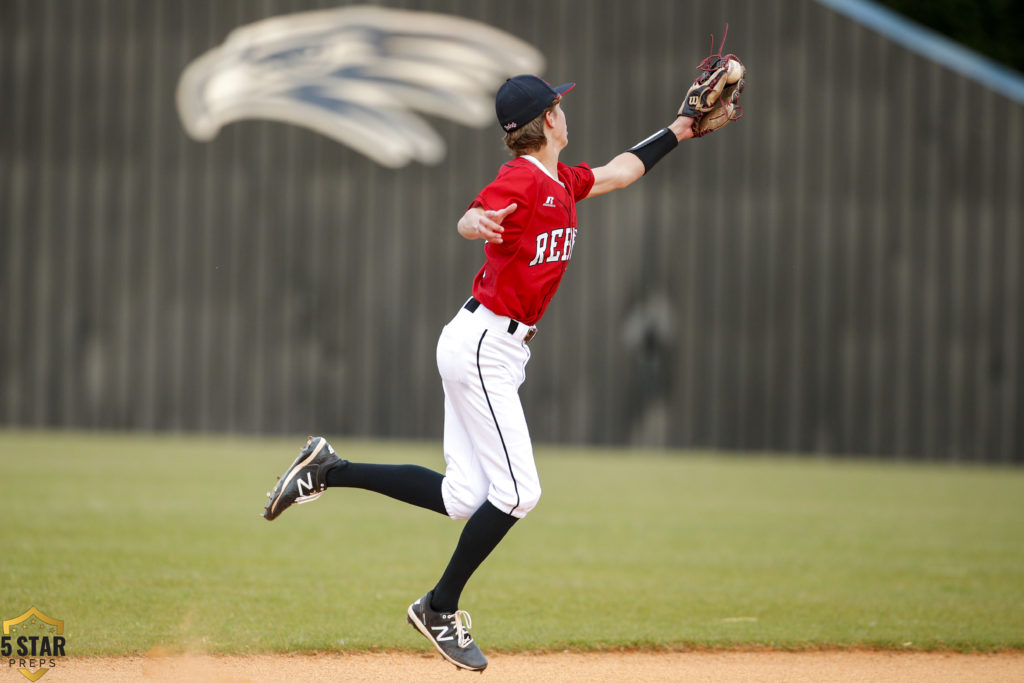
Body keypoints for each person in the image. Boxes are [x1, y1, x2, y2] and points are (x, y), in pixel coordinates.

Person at [263, 73, 706, 671]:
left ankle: (328, 470)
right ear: (548, 120)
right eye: (559, 106)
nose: (564, 113)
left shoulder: (561, 181)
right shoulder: (521, 178)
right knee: (520, 492)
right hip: (483, 345)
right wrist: (476, 224)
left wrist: (682, 127)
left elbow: (621, 170)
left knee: (464, 496)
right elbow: (472, 214)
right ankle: (438, 607)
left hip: (489, 346)